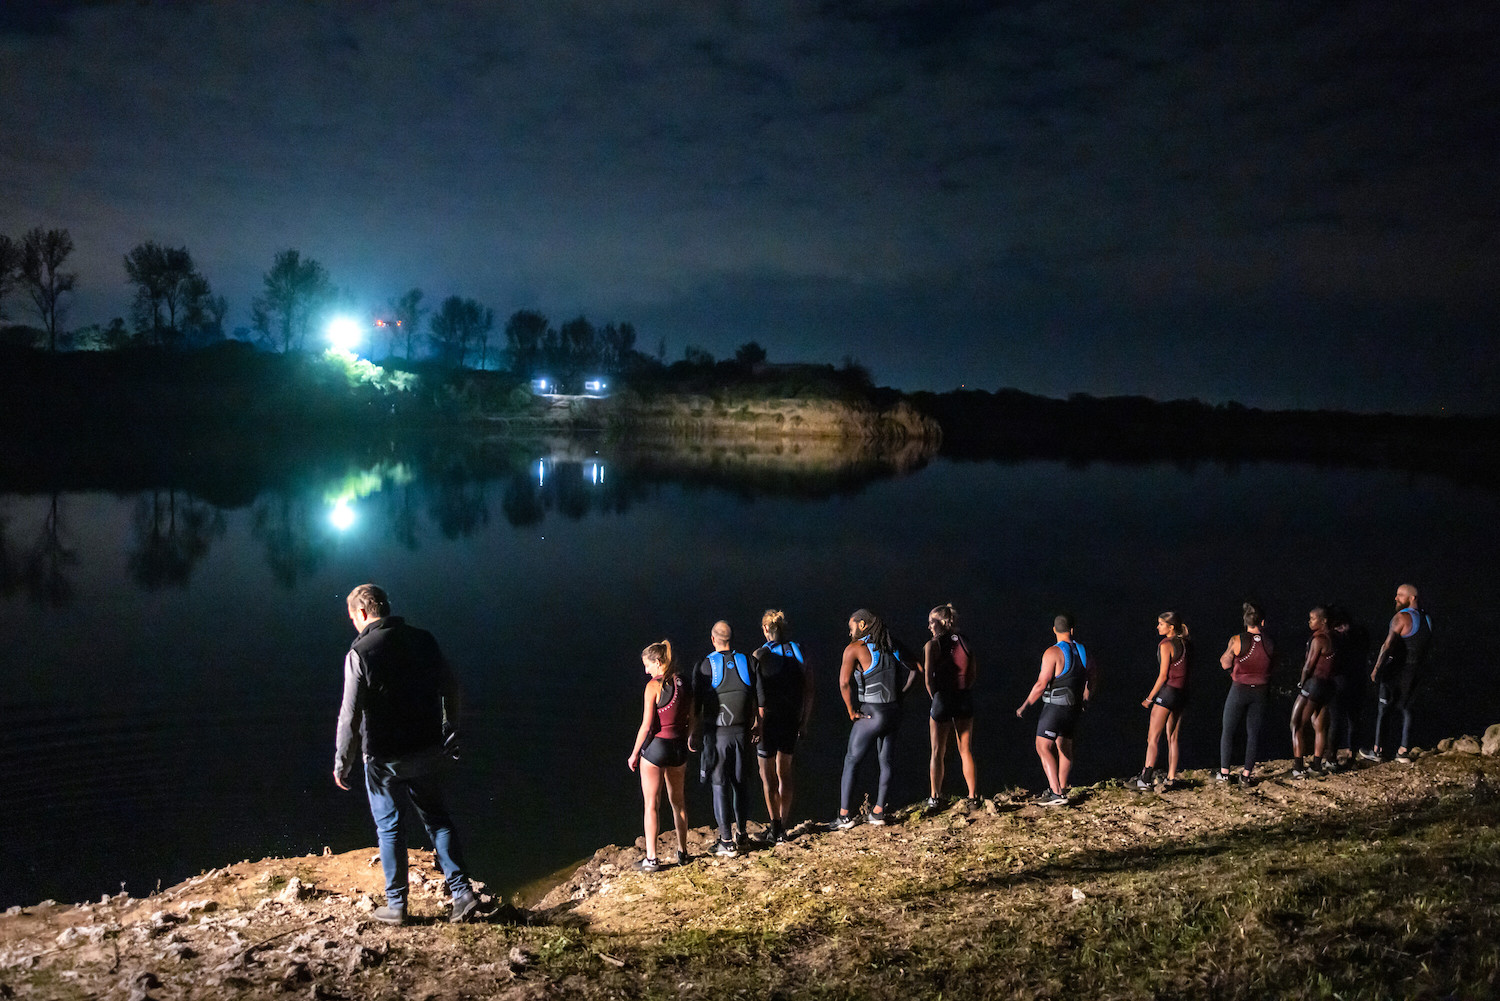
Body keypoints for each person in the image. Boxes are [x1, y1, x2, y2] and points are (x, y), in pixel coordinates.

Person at [333, 583, 479, 925]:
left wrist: (343, 761)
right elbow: (450, 687)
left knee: (389, 827)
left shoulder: (360, 652)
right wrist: (450, 730)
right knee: (438, 819)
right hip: (427, 749)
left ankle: (396, 905)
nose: (354, 624)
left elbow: (349, 714)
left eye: (353, 617)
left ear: (364, 613)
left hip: (383, 758)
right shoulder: (423, 639)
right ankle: (462, 894)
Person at [835, 609, 914, 828]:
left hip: (871, 711)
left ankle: (844, 816)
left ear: (862, 625)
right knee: (886, 761)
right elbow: (916, 669)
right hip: (893, 712)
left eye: (851, 626)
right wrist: (901, 694)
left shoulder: (855, 649)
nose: (849, 630)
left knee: (852, 760)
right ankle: (878, 811)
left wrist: (851, 710)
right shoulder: (890, 644)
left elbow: (843, 683)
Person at [1016, 613, 1096, 807]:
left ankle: (1056, 793)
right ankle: (1061, 787)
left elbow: (1041, 684)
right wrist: (1086, 697)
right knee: (1065, 747)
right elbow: (1092, 677)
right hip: (1073, 708)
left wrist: (1025, 705)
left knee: (1043, 746)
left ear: (1054, 630)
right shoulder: (1084, 651)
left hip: (1055, 707)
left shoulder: (1052, 652)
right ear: (1072, 629)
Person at [692, 620, 758, 856]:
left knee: (719, 785)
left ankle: (726, 841)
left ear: (713, 639)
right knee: (741, 784)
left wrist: (693, 733)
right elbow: (758, 698)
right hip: (742, 734)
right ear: (732, 639)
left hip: (717, 736)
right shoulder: (749, 661)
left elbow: (696, 705)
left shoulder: (705, 666)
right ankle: (743, 836)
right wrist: (757, 724)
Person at [627, 640, 693, 871]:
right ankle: (683, 852)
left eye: (647, 665)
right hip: (678, 749)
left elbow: (646, 726)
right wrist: (691, 737)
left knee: (651, 805)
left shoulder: (653, 687)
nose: (646, 671)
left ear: (658, 662)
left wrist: (634, 754)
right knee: (679, 803)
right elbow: (692, 716)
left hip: (656, 750)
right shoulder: (685, 682)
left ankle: (652, 859)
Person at [752, 610, 812, 844]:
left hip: (768, 721)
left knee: (767, 776)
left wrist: (754, 722)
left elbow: (753, 693)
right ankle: (783, 825)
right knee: (784, 773)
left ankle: (774, 825)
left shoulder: (760, 654)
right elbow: (809, 690)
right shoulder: (800, 651)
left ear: (766, 629)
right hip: (791, 719)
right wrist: (804, 721)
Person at [1360, 584, 1433, 764]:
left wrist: (1377, 668)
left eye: (1400, 595)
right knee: (1407, 709)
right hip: (1417, 670)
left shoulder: (1401, 617)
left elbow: (1387, 645)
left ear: (1412, 598)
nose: (1396, 598)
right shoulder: (1427, 619)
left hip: (1396, 670)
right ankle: (1403, 751)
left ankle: (1377, 751)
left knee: (1384, 709)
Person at [923, 603, 978, 807]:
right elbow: (972, 674)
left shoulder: (932, 645)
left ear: (942, 622)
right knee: (965, 750)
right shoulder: (966, 642)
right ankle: (972, 797)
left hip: (943, 700)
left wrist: (935, 698)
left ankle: (934, 797)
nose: (929, 626)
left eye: (931, 622)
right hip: (963, 699)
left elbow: (928, 679)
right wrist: (962, 691)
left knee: (938, 750)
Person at [1218, 601, 1274, 787]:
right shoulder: (1270, 642)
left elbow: (1225, 663)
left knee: (1228, 730)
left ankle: (1224, 773)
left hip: (1239, 689)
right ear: (1263, 622)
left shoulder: (1237, 640)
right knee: (1253, 733)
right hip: (1260, 691)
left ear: (1245, 621)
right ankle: (1246, 775)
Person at [1134, 611, 1191, 789]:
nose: (1157, 627)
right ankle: (1171, 777)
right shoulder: (1186, 643)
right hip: (1181, 693)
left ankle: (1145, 778)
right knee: (1173, 738)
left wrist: (1149, 698)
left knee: (1153, 738)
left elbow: (1163, 675)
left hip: (1167, 694)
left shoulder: (1165, 645)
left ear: (1170, 627)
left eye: (1160, 624)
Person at [1289, 607, 1336, 777]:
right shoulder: (1332, 638)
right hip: (1326, 686)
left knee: (1296, 724)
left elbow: (1308, 665)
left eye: (1313, 618)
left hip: (1313, 685)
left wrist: (1302, 682)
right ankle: (1317, 765)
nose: (1310, 621)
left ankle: (1298, 767)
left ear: (1323, 620)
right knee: (1319, 726)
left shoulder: (1318, 640)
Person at [1326, 604, 1370, 768]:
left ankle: (1332, 757)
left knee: (1336, 720)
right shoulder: (1361, 633)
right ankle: (1352, 755)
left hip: (1339, 682)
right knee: (1354, 720)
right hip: (1358, 681)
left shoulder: (1333, 638)